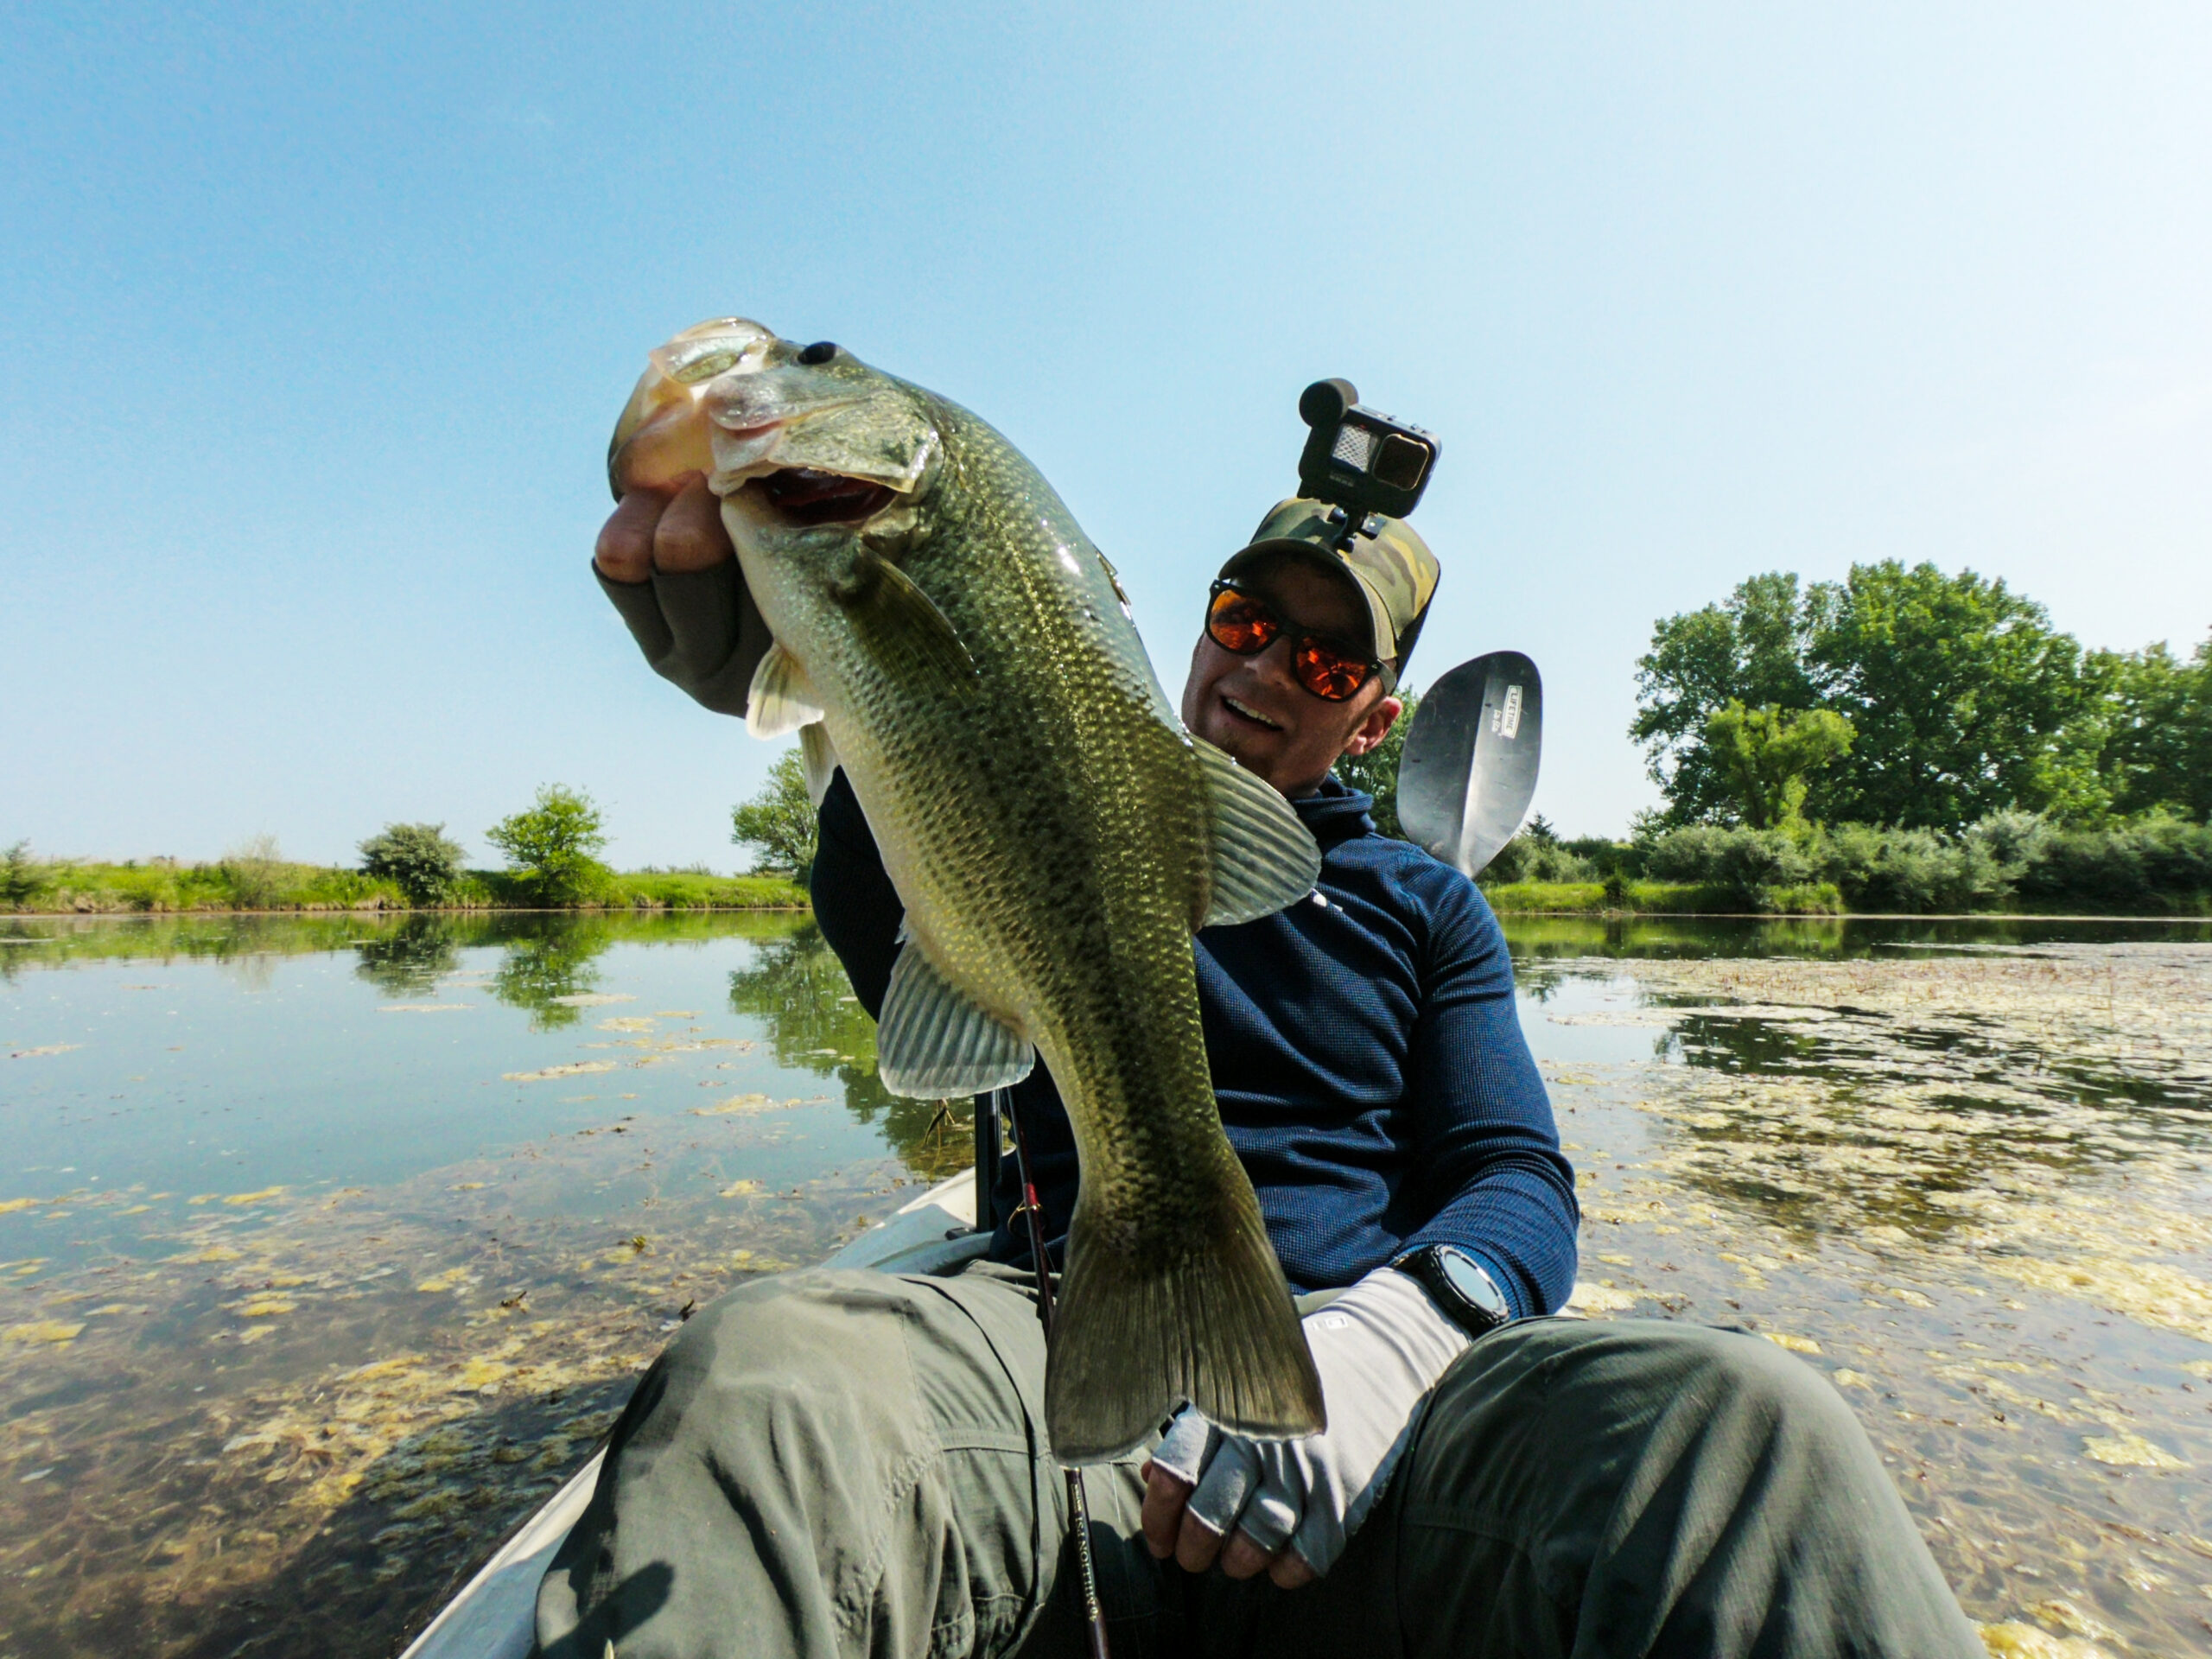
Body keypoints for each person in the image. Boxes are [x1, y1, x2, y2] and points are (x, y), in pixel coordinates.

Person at [541, 474, 1986, 1659]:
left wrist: (1389, 1348)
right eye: (1244, 618)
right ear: (1195, 632)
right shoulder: (1042, 806)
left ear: (1372, 720)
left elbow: (1515, 1181)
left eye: (1326, 659)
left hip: (1383, 1434)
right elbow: (885, 907)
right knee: (774, 1374)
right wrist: (838, 702)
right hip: (1059, 1372)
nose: (1264, 665)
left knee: (1749, 1423)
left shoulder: (1429, 908)